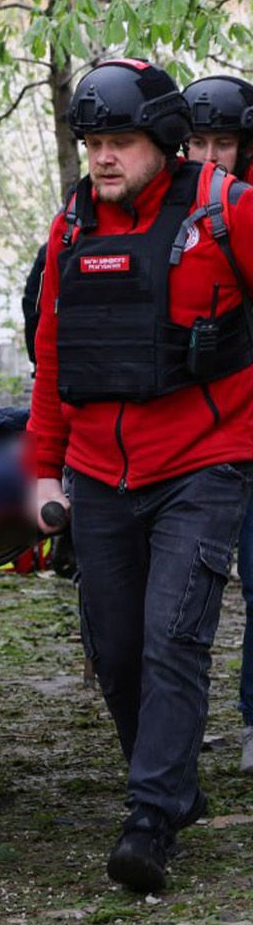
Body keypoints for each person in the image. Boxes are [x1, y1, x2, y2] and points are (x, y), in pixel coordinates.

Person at [29, 58, 253, 893]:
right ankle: (171, 783)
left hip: (202, 466)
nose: (103, 157)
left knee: (173, 640)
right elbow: (53, 357)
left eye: (119, 140)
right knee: (117, 654)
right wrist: (42, 473)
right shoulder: (71, 230)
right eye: (92, 142)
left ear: (160, 139)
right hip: (96, 476)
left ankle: (151, 819)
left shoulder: (226, 213)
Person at [184, 74, 253, 778]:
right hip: (189, 439)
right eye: (197, 141)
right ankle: (176, 726)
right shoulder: (147, 217)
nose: (208, 156)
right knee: (178, 596)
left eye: (223, 142)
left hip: (247, 433)